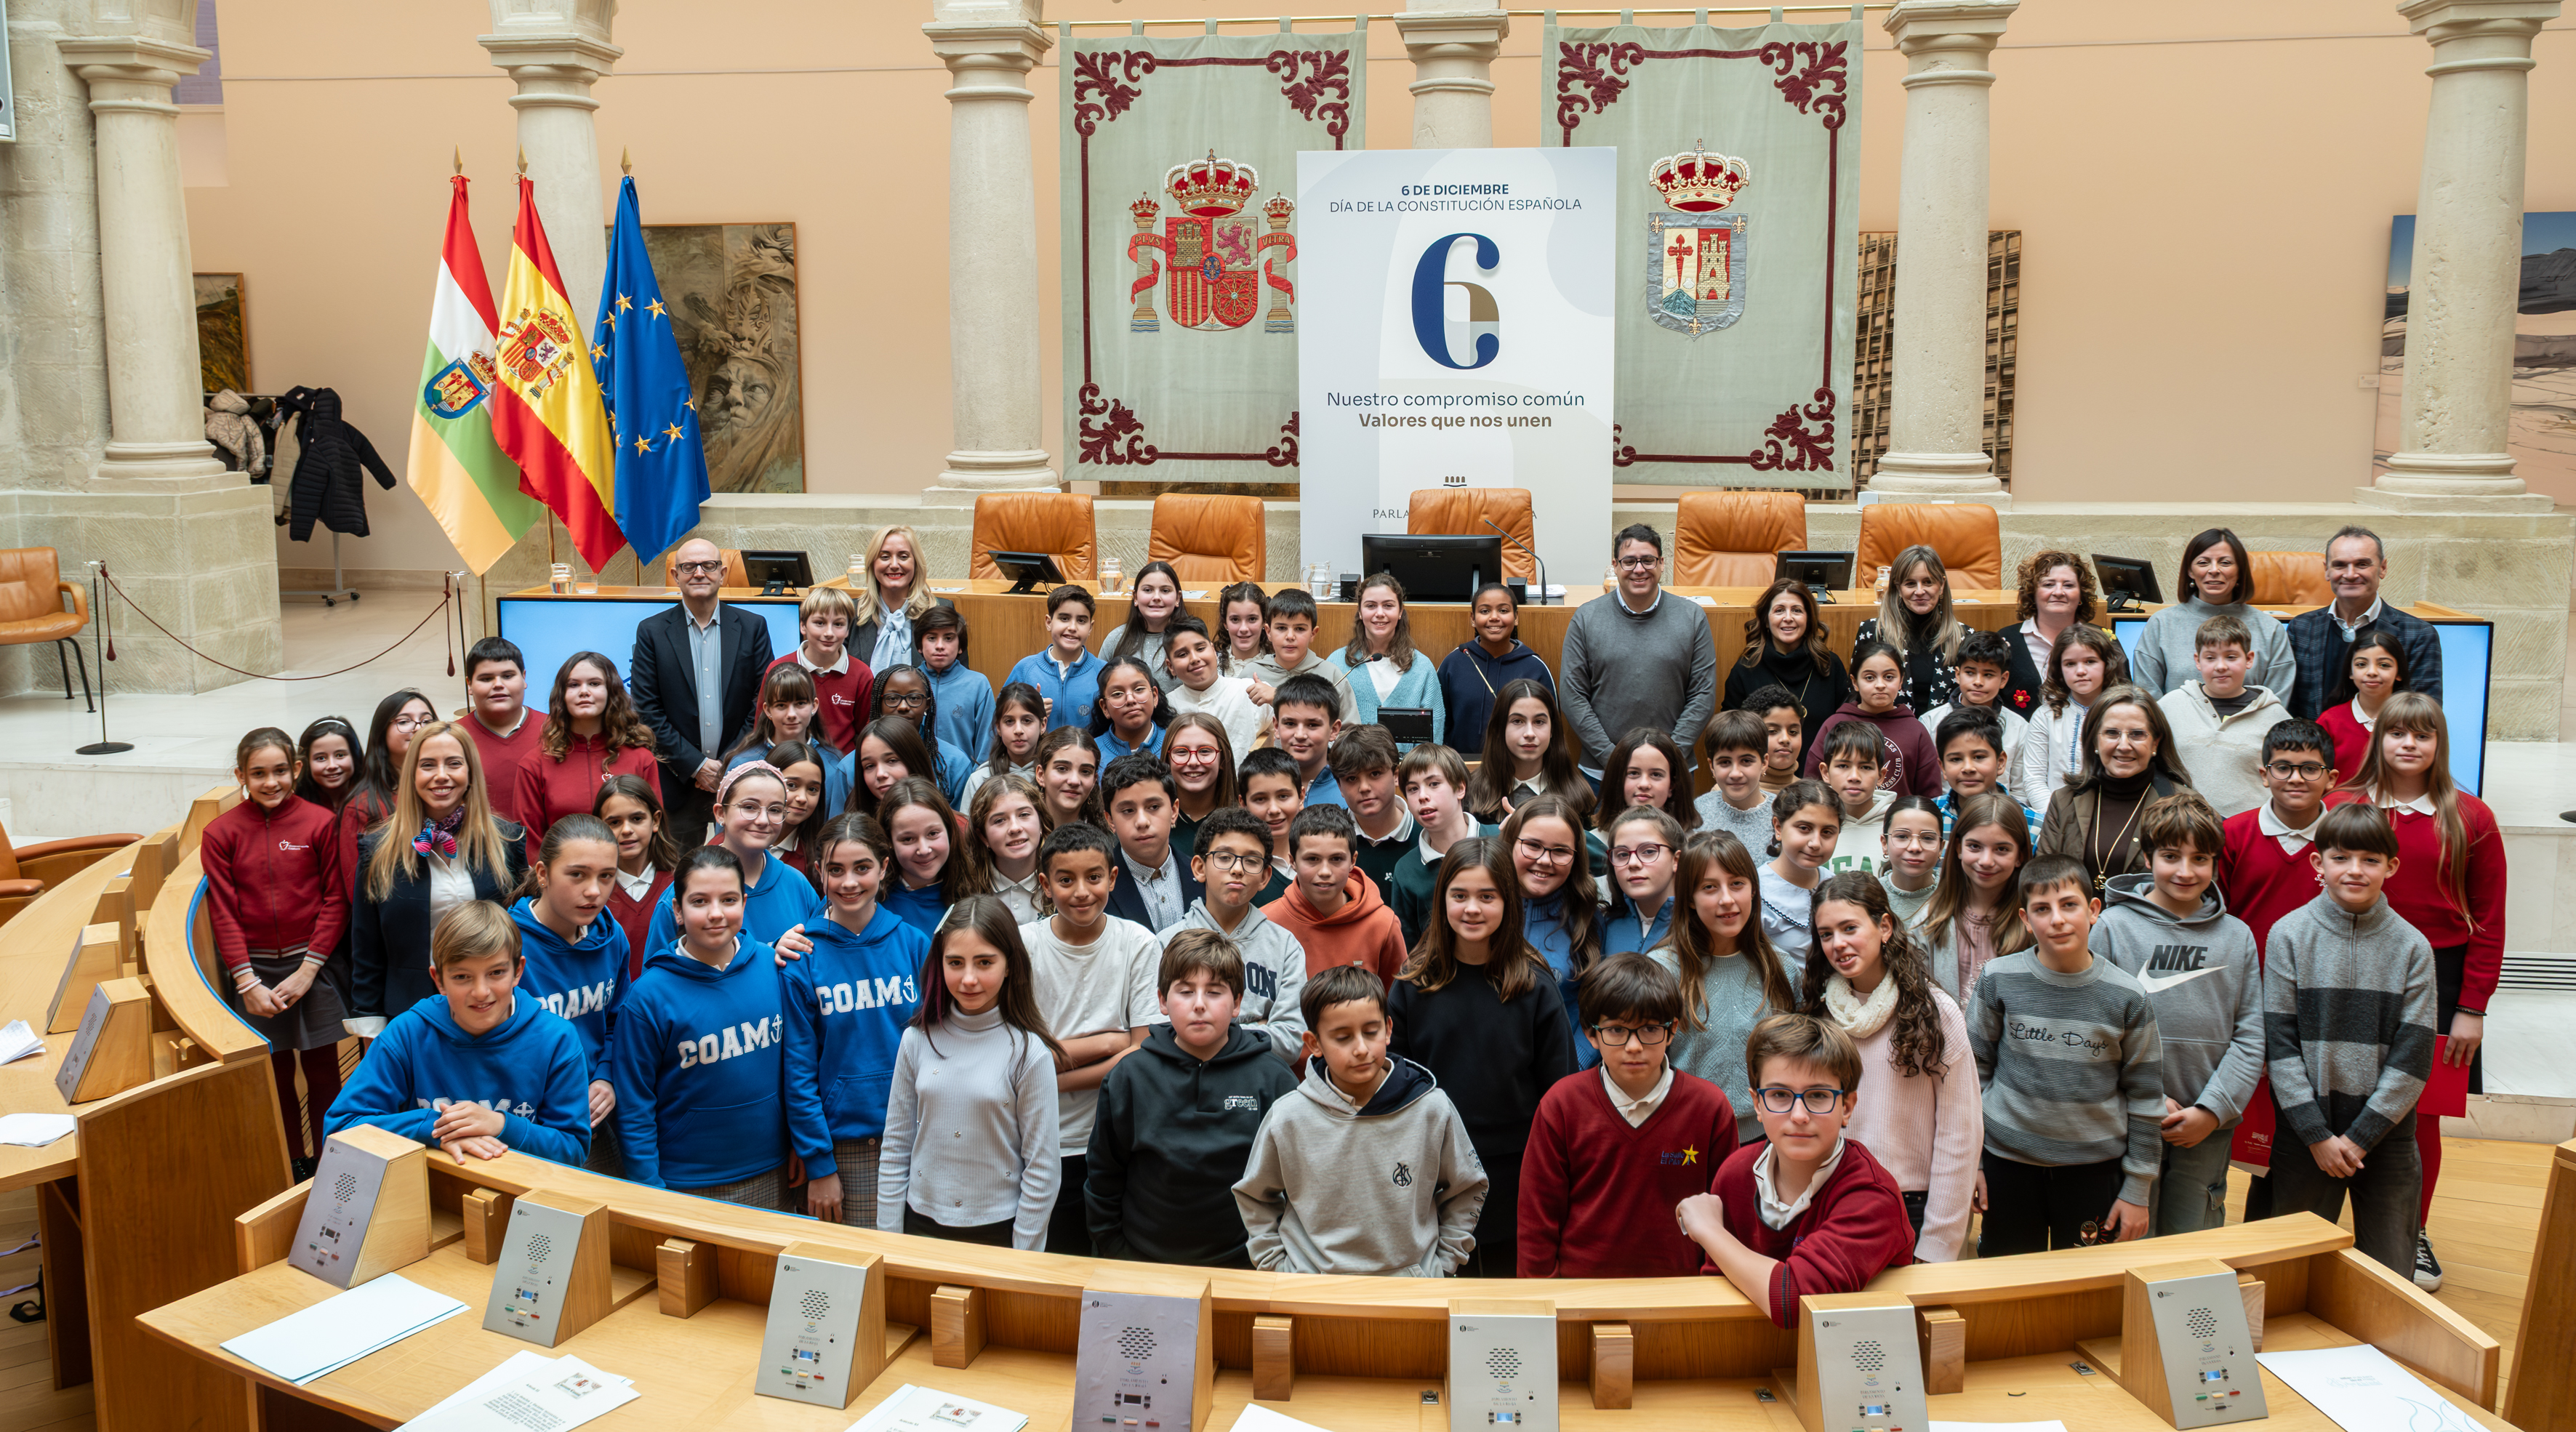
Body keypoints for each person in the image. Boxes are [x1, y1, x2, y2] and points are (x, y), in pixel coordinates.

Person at [2327, 693, 2500, 1290]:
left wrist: (2471, 1007)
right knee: (2339, 1095)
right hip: (2351, 967)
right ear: (2379, 738)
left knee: (2418, 1112)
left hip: (2442, 979)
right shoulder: (2343, 805)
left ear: (2437, 744)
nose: (2407, 744)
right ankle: (2324, 1226)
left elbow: (2489, 918)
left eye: (2421, 735)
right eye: (2396, 732)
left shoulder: (2470, 816)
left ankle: (2411, 1231)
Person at [2262, 802, 2438, 1276]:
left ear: (2391, 867)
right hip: (2305, 1131)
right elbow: (2278, 1045)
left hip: (2385, 1133)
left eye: (2370, 860)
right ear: (2317, 863)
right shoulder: (2287, 936)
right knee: (2288, 1266)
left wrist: (2360, 1139)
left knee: (2389, 1271)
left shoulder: (2412, 948)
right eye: (2340, 858)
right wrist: (2317, 1136)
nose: (2354, 870)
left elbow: (2414, 1054)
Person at [1389, 837, 1577, 1277]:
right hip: (1432, 1173)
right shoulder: (1413, 985)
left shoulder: (1534, 987)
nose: (1472, 909)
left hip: (1516, 1174)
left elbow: (1559, 1093)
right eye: (1460, 896)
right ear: (1442, 901)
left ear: (1508, 903)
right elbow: (1395, 1087)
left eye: (1487, 896)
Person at [1233, 964, 1488, 1276]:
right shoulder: (1288, 1117)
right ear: (1314, 1044)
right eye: (1342, 1037)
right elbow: (1255, 1195)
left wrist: (1443, 1265)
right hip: (1311, 1295)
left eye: (1371, 1032)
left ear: (1389, 1029)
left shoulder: (1432, 1108)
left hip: (1411, 1296)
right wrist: (1279, 1268)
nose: (1361, 1049)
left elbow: (1468, 1187)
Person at [1965, 854, 2164, 1255]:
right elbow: (1971, 1076)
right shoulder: (1998, 978)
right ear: (2025, 919)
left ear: (2094, 910)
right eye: (2042, 909)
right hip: (2008, 1166)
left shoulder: (2128, 996)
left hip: (2093, 1171)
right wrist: (1975, 1164)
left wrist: (2138, 1188)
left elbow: (2145, 1095)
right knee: (2010, 1288)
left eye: (2069, 905)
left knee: (2087, 1293)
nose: (2056, 919)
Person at [2088, 792, 2266, 1236]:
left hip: (2208, 1121)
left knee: (2194, 1238)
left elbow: (2251, 1036)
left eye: (2200, 859)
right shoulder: (2112, 927)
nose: (2186, 872)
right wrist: (2141, 1098)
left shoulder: (2238, 937)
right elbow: (2094, 1026)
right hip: (2127, 1116)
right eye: (2170, 856)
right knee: (2127, 1237)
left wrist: (2213, 1110)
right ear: (2147, 857)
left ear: (2215, 863)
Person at [1674, 1014, 1915, 1327]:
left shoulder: (1872, 1195)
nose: (1799, 1115)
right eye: (1779, 1095)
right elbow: (1716, 1285)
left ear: (1847, 1107)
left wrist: (1709, 1231)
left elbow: (1796, 1303)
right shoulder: (1735, 1173)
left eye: (1818, 1096)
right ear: (1757, 1105)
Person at [1086, 930, 1300, 1266]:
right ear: (1161, 1000)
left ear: (1237, 1003)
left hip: (1247, 1265)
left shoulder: (1272, 1078)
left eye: (1214, 992)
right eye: (1185, 991)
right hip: (1143, 1263)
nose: (1199, 1004)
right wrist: (1115, 1249)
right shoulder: (1130, 1076)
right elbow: (1104, 1175)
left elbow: (1297, 1182)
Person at [1519, 954, 1739, 1278]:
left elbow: (1728, 1215)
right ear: (1591, 1034)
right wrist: (1540, 1303)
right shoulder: (1562, 1104)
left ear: (1672, 1030)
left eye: (1650, 1029)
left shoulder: (1709, 1107)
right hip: (1580, 1294)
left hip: (1683, 1294)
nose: (1634, 1046)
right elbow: (1537, 1218)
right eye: (1617, 1030)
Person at [1800, 872, 1982, 1262]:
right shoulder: (1817, 1016)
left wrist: (1937, 1244)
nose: (1838, 944)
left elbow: (1960, 1134)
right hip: (1830, 1199)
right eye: (1826, 934)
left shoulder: (1936, 1012)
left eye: (1850, 928)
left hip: (1911, 1205)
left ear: (1884, 926)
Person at [324, 901, 590, 1166]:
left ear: (518, 971)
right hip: (429, 1190)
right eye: (462, 977)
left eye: (496, 972)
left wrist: (501, 1124)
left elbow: (573, 1149)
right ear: (439, 980)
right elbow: (340, 1130)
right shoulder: (407, 1034)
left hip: (523, 1196)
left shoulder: (557, 1039)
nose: (481, 992)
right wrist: (431, 1127)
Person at [876, 896, 1064, 1249]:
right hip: (920, 1226)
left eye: (984, 962)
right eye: (956, 963)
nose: (969, 979)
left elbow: (1042, 1170)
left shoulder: (1028, 1052)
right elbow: (896, 1147)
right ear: (939, 963)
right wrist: (890, 1242)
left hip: (998, 1232)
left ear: (1009, 965)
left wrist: (1022, 1260)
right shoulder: (916, 1040)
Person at [204, 728, 348, 1175]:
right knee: (275, 1070)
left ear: (297, 770)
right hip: (254, 970)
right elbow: (223, 912)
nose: (271, 782)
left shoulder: (320, 823)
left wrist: (308, 970)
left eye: (281, 771)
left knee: (324, 1067)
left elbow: (335, 899)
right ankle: (291, 1161)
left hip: (313, 964)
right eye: (259, 773)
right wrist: (246, 981)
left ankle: (328, 1160)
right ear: (241, 776)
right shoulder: (220, 832)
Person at [613, 847, 791, 1205]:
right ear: (677, 910)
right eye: (699, 901)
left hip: (774, 1169)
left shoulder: (774, 969)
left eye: (728, 900)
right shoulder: (648, 997)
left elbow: (797, 1070)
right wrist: (649, 1189)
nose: (715, 914)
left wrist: (802, 1145)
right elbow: (634, 1104)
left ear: (744, 902)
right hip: (686, 1181)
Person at [1022, 821, 1163, 1256]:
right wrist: (1108, 1044)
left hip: (1116, 1135)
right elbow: (1019, 1056)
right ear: (1046, 886)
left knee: (1114, 1262)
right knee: (1055, 1262)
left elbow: (1142, 1052)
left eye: (1094, 877)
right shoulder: (1024, 945)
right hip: (1042, 1138)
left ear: (1113, 878)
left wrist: (1051, 1075)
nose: (1081, 891)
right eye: (1066, 880)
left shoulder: (1137, 943)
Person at [785, 813, 930, 1226]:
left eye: (862, 868)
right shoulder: (802, 957)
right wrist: (819, 1164)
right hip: (844, 1148)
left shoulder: (913, 943)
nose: (849, 882)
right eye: (836, 870)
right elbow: (797, 1070)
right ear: (819, 873)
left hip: (919, 1134)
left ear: (884, 868)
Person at [346, 721, 529, 1038]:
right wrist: (370, 1023)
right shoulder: (377, 850)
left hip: (494, 1009)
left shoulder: (507, 842)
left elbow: (522, 933)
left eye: (454, 764)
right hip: (410, 1016)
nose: (441, 775)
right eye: (427, 765)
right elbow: (366, 946)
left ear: (470, 773)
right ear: (412, 775)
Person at [1653, 832, 1803, 1146]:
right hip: (1683, 1140)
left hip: (1766, 1139)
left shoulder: (1782, 968)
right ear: (1690, 900)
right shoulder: (1662, 970)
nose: (1726, 899)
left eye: (1737, 883)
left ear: (1753, 890)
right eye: (1709, 887)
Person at [631, 536, 776, 842]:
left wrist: (729, 761)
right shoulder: (652, 632)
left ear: (722, 574)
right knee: (679, 876)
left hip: (740, 780)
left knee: (740, 870)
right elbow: (647, 709)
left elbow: (762, 701)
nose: (699, 573)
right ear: (676, 576)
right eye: (689, 567)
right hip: (676, 782)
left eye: (708, 565)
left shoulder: (753, 627)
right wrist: (696, 766)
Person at [509, 815, 631, 1174]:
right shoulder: (506, 944)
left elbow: (616, 1023)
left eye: (606, 876)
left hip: (593, 1112)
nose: (594, 890)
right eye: (577, 874)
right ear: (543, 874)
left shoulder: (613, 938)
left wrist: (607, 1076)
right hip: (526, 1120)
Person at [1560, 524, 1718, 770]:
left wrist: (1667, 759)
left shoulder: (1692, 617)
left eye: (1648, 560)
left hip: (1673, 770)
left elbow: (1703, 696)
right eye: (1629, 561)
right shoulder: (1586, 618)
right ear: (1615, 565)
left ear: (1662, 563)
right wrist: (1613, 759)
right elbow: (1573, 697)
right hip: (1603, 771)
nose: (1639, 569)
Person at [642, 763, 825, 954]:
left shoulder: (797, 884)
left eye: (775, 810)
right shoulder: (685, 892)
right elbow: (657, 975)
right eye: (749, 807)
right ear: (720, 813)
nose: (763, 820)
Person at [2037, 685, 2194, 893]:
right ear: (2095, 740)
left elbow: (2198, 889)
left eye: (2137, 734)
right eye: (2112, 733)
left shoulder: (2187, 804)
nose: (2124, 745)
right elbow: (2042, 882)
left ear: (2156, 743)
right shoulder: (2064, 800)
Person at [2284, 525, 2444, 720]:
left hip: (2382, 746)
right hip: (2315, 746)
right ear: (2327, 571)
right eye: (2340, 565)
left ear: (2383, 568)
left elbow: (2425, 713)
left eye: (2362, 564)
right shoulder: (2301, 629)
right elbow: (2291, 708)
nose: (2350, 574)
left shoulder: (2419, 634)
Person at [516, 651, 663, 860]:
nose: (584, 691)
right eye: (574, 685)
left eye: (594, 684)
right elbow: (531, 845)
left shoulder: (641, 759)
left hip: (630, 879)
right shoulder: (534, 765)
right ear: (562, 695)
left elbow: (655, 832)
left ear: (611, 691)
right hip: (564, 883)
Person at [2216, 719, 2338, 957]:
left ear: (2331, 779)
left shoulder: (2345, 838)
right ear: (2264, 774)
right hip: (2248, 976)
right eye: (2283, 768)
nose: (2295, 778)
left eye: (2310, 769)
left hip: (2322, 979)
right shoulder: (2231, 834)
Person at [2133, 528, 2298, 698]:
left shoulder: (2271, 629)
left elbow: (2276, 701)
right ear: (2190, 571)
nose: (2214, 570)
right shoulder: (2161, 623)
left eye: (2225, 563)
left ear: (2240, 571)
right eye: (2203, 563)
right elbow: (2147, 697)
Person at [2155, 614, 2288, 818]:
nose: (2220, 666)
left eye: (2231, 657)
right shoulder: (2169, 706)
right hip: (2182, 828)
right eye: (2210, 658)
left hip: (2249, 830)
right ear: (2197, 661)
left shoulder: (2276, 717)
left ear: (2249, 659)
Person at [1504, 795, 1605, 1062]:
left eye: (1560, 851)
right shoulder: (1481, 909)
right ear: (1510, 844)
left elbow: (1602, 1007)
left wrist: (1576, 1063)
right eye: (1533, 845)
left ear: (1576, 857)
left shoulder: (1588, 916)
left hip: (1564, 1074)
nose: (1545, 860)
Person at [1265, 803, 1406, 983]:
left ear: (1353, 860)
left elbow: (1397, 1004)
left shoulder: (1383, 925)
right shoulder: (1268, 923)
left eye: (1336, 859)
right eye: (1312, 859)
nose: (1325, 871)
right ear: (1293, 861)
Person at [1917, 794, 2032, 1004]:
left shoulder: (2032, 924)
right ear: (1959, 848)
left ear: (2020, 856)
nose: (1986, 861)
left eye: (2002, 849)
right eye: (1975, 847)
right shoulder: (1928, 922)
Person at [1724, 581, 1852, 770]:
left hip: (1822, 778)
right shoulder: (1746, 669)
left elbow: (1847, 727)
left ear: (1809, 619)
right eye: (1779, 610)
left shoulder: (1830, 665)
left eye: (1797, 610)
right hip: (1763, 781)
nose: (1788, 618)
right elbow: (1732, 735)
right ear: (1766, 620)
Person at [1389, 744, 1496, 946]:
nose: (1422, 796)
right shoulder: (1407, 869)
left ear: (1460, 788)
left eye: (1434, 784)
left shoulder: (1500, 839)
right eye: (1412, 789)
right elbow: (1409, 947)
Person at [1807, 641, 1939, 798]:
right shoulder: (1834, 725)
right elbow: (1812, 784)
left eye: (1889, 677)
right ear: (1855, 682)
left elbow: (1931, 794)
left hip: (1900, 821)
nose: (1880, 685)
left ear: (1901, 681)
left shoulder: (1916, 730)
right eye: (1869, 678)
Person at [1437, 581, 1554, 756]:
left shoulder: (1535, 667)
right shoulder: (1454, 662)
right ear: (1473, 619)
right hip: (1460, 767)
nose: (1494, 617)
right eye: (1485, 611)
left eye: (1503, 610)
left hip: (1516, 767)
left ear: (1516, 618)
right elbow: (1439, 724)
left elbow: (1549, 728)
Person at [1330, 573, 1446, 747]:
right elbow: (1324, 724)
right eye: (1371, 606)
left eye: (1388, 606)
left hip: (1408, 772)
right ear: (1360, 613)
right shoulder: (1337, 663)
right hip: (1351, 770)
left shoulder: (1422, 667)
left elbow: (1434, 732)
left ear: (1400, 612)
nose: (1380, 613)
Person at [2015, 624, 2129, 801]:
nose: (2081, 671)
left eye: (2090, 661)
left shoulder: (2126, 712)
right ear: (2059, 669)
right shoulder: (2045, 716)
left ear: (2107, 664)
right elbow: (2034, 779)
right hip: (2055, 816)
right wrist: (2056, 817)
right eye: (2070, 664)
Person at [726, 664, 853, 821]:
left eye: (800, 704)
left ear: (814, 706)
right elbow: (726, 830)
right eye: (781, 705)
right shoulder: (743, 764)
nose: (791, 714)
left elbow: (835, 829)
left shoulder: (833, 766)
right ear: (767, 710)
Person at [1463, 678, 1594, 825]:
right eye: (1517, 721)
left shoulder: (1576, 793)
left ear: (1553, 730)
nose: (1530, 733)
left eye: (1539, 722)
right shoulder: (1473, 792)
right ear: (1499, 729)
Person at [1852, 544, 1963, 714]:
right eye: (1910, 583)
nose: (1920, 591)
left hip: (1945, 734)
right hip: (1887, 736)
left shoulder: (1964, 637)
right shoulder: (1873, 632)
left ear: (1941, 585)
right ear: (1898, 588)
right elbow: (1856, 696)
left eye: (1928, 582)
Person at [339, 688, 436, 881]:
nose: (418, 728)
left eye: (427, 721)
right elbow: (356, 886)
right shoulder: (362, 807)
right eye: (404, 721)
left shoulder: (446, 792)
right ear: (382, 732)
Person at [1099, 753, 1202, 933]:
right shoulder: (1097, 886)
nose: (1142, 822)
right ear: (1110, 820)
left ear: (1174, 811)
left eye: (1154, 807)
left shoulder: (1203, 877)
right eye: (1128, 810)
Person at [1917, 629, 2029, 795]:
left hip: (2000, 814)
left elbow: (2020, 790)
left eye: (1988, 674)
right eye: (1970, 673)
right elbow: (1927, 785)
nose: (1978, 682)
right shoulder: (1930, 722)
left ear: (2003, 679)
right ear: (1958, 674)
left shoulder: (2019, 727)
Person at [769, 583, 874, 754]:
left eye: (839, 624)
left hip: (842, 769)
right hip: (788, 763)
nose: (829, 633)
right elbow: (763, 729)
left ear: (848, 630)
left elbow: (866, 732)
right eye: (820, 623)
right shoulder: (777, 670)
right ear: (803, 626)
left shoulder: (862, 674)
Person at [595, 775, 680, 981]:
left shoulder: (680, 883)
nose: (626, 830)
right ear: (600, 827)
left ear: (656, 820)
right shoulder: (593, 891)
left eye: (637, 819)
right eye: (614, 822)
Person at [1998, 551, 2099, 718]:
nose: (2059, 592)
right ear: (2033, 593)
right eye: (2048, 584)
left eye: (2068, 585)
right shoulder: (2006, 640)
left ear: (2081, 594)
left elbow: (2120, 699)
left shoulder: (2103, 640)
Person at [458, 637, 540, 829]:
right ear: (469, 685)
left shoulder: (556, 729)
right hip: (476, 852)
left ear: (524, 678)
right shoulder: (453, 738)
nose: (498, 685)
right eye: (486, 679)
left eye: (508, 676)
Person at [880, 778, 979, 936]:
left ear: (949, 830)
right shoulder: (874, 903)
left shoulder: (975, 890)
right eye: (908, 839)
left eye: (932, 834)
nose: (924, 850)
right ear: (889, 841)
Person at [870, 663, 978, 805]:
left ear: (927, 704)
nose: (903, 707)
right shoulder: (852, 765)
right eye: (892, 699)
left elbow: (962, 824)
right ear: (880, 702)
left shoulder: (955, 763)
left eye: (914, 698)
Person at [1163, 616, 1269, 762]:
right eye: (1183, 654)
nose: (1194, 658)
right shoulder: (1166, 706)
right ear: (1171, 667)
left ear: (1213, 650)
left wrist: (1277, 697)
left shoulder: (1248, 691)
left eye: (1200, 649)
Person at [1245, 587, 1358, 723]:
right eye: (1281, 628)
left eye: (1300, 629)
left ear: (1313, 634)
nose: (1290, 636)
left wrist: (1279, 698)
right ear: (1268, 632)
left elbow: (1350, 734)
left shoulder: (1331, 675)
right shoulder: (1251, 674)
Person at [1760, 779, 1840, 967]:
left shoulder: (1836, 886)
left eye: (1827, 832)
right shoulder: (1755, 891)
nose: (1815, 843)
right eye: (1804, 828)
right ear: (1778, 828)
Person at [848, 523, 945, 677]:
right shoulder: (851, 613)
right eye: (885, 557)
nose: (894, 565)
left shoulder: (940, 611)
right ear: (872, 564)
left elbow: (955, 680)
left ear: (916, 563)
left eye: (903, 556)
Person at [1007, 584, 1107, 732]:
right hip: (1036, 755)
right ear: (1049, 623)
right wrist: (1027, 710)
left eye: (1081, 621)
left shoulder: (1103, 673)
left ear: (1090, 627)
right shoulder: (1025, 669)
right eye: (1065, 618)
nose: (1073, 627)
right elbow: (1003, 719)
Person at [2316, 627, 2410, 778]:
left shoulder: (2413, 720)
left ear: (2399, 673)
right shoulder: (2329, 722)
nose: (2372, 672)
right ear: (2350, 673)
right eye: (2361, 664)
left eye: (2384, 665)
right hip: (2338, 802)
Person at [1932, 709, 2037, 840]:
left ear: (2000, 762)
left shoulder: (2033, 827)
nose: (1968, 768)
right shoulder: (1927, 816)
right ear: (1943, 768)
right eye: (1956, 759)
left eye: (1979, 757)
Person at [1333, 725, 1415, 885]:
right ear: (1339, 787)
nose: (1364, 788)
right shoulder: (1328, 838)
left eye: (1375, 774)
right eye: (1351, 778)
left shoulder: (1427, 836)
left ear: (1396, 775)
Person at [915, 604, 995, 761]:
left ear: (960, 647)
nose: (939, 646)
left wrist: (976, 780)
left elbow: (987, 743)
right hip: (915, 779)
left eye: (948, 638)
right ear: (919, 646)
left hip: (964, 779)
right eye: (932, 638)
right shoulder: (908, 682)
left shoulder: (978, 684)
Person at [1602, 806, 1685, 958]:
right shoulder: (1603, 926)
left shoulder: (1700, 925)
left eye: (1648, 851)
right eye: (1622, 854)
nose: (1633, 863)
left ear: (1676, 860)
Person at [1814, 723, 1893, 878]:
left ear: (1881, 775)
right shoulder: (1810, 824)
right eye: (1843, 766)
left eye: (1865, 767)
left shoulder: (1898, 826)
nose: (1854, 777)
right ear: (1825, 773)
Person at [1097, 559, 1188, 690]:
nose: (1156, 597)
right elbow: (1101, 689)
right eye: (1148, 590)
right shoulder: (1116, 639)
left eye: (1165, 590)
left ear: (1178, 598)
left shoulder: (1191, 640)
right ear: (1135, 597)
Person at [968, 773, 1048, 921]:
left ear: (1041, 823)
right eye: (999, 821)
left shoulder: (1062, 883)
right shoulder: (967, 889)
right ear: (983, 836)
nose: (1015, 828)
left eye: (1024, 815)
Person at [1163, 711, 1237, 863]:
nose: (1193, 762)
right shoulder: (1154, 824)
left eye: (1205, 751)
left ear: (1223, 760)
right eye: (1181, 752)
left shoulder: (1244, 824)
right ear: (1167, 760)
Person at [1695, 710, 1775, 850]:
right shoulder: (1697, 812)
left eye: (1746, 761)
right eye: (1725, 762)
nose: (1735, 773)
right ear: (1711, 766)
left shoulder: (1783, 813)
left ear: (1764, 763)